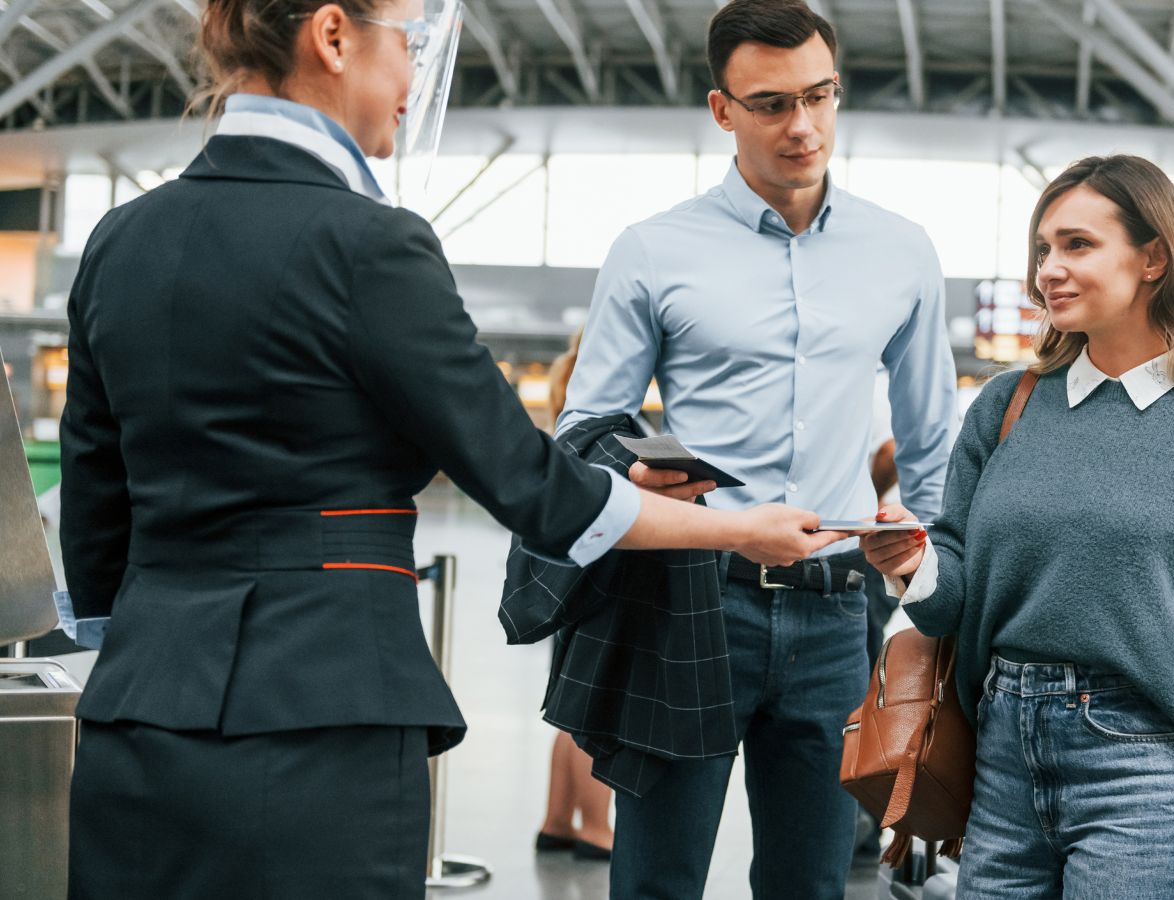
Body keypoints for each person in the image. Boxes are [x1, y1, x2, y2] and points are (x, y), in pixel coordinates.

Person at [53, 2, 837, 897]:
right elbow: (531, 486)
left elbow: (95, 504)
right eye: (409, 45)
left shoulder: (121, 239)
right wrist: (741, 530)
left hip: (134, 717)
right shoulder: (368, 244)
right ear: (334, 37)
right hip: (322, 721)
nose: (413, 80)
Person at [862, 155, 1174, 899]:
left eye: (1078, 245)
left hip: (1145, 771)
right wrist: (912, 562)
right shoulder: (1005, 408)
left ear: (1153, 258)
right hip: (1000, 764)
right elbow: (953, 595)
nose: (1049, 269)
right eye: (1043, 248)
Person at [557, 2, 958, 895]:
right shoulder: (653, 250)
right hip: (692, 600)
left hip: (837, 614)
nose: (803, 126)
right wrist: (632, 467)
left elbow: (933, 438)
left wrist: (930, 592)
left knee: (813, 883)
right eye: (772, 104)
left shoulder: (901, 252)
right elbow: (584, 432)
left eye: (819, 96)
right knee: (657, 880)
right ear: (722, 110)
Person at [533, 327, 615, 861]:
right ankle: (596, 828)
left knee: (571, 710)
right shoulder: (608, 425)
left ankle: (557, 821)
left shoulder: (568, 420)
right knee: (598, 713)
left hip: (565, 577)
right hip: (599, 578)